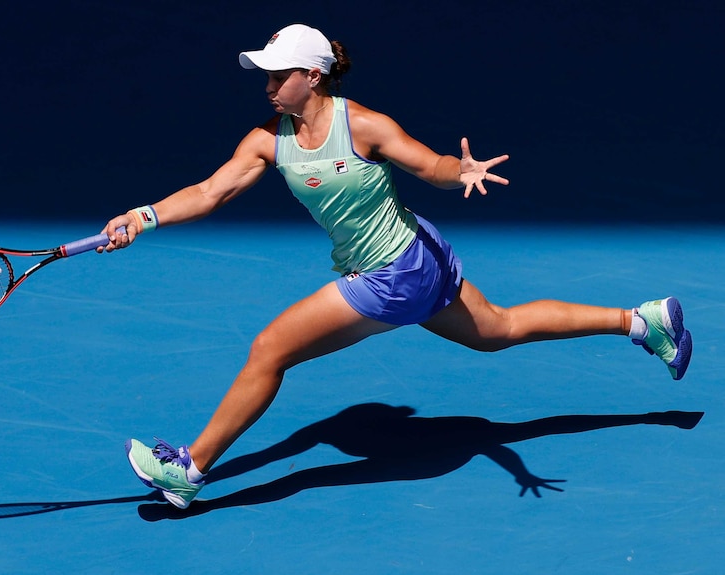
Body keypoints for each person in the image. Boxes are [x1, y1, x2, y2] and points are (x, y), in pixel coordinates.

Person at [97, 24, 693, 509]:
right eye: (267, 74)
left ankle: (191, 469)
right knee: (499, 331)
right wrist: (142, 216)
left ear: (314, 75)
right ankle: (642, 322)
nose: (269, 85)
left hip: (395, 272)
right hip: (421, 257)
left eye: (280, 75)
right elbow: (209, 192)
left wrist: (457, 171)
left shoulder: (365, 125)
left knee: (269, 350)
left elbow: (426, 163)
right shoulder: (265, 139)